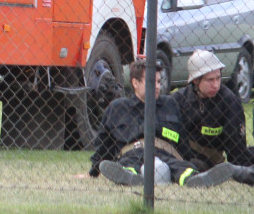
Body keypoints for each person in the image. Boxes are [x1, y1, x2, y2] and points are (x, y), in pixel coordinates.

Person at [89, 58, 233, 187]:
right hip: (134, 153)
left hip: (166, 155)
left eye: (158, 81)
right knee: (128, 164)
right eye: (152, 81)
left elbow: (182, 141)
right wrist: (94, 171)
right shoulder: (118, 108)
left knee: (182, 168)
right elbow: (103, 143)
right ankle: (130, 177)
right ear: (135, 83)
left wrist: (188, 160)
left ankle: (193, 180)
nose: (157, 86)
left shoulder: (170, 104)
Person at [170, 50, 254, 184]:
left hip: (210, 160)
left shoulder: (229, 101)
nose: (216, 85)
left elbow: (236, 149)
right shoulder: (179, 100)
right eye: (210, 80)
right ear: (196, 80)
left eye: (218, 78)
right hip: (181, 155)